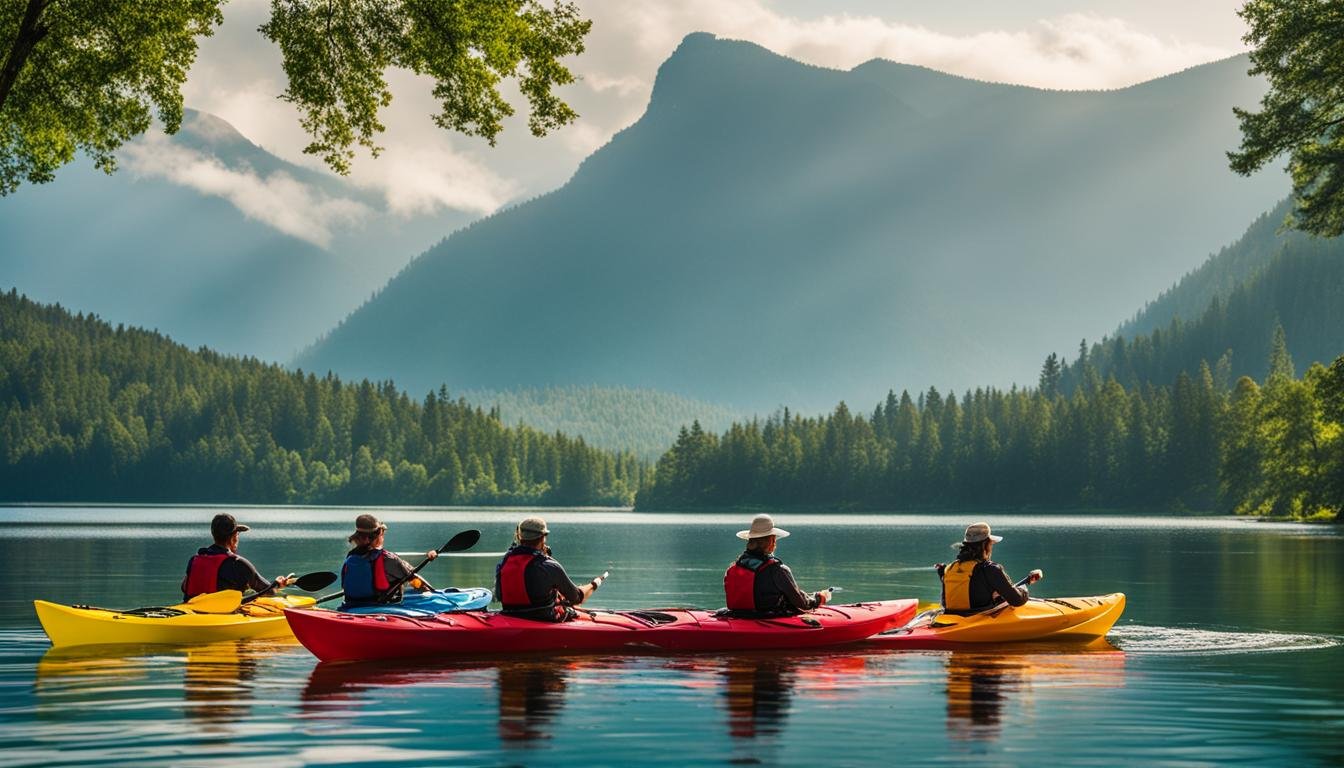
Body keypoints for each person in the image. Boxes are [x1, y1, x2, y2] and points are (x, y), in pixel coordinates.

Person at [723, 514, 832, 615]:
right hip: (766, 617)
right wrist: (818, 599)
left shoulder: (733, 567)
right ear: (771, 541)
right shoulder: (777, 569)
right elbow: (801, 603)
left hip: (737, 615)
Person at [494, 517, 598, 622]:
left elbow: (498, 595)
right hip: (543, 620)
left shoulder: (504, 564)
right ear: (543, 538)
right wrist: (592, 585)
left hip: (510, 618)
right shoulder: (550, 566)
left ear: (519, 537)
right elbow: (576, 598)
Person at [937, 522, 1041, 614]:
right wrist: (1024, 591)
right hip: (978, 618)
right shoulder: (991, 569)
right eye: (991, 543)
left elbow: (944, 602)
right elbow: (1017, 600)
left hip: (951, 617)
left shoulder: (950, 569)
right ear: (985, 545)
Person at [182, 513, 293, 600]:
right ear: (234, 536)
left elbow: (184, 587)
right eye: (238, 534)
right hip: (220, 615)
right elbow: (269, 591)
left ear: (213, 534)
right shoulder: (239, 563)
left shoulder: (195, 560)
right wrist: (278, 584)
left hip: (192, 611)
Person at [341, 513, 437, 605]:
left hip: (350, 605)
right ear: (379, 535)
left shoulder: (350, 557)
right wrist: (428, 591)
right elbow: (415, 581)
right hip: (381, 607)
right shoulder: (388, 558)